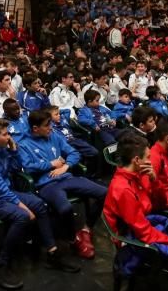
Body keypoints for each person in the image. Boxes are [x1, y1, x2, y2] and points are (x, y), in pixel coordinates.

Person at [0, 119, 80, 290]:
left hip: (2, 192)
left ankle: (52, 251)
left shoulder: (1, 149)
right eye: (6, 134)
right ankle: (0, 266)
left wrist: (14, 149)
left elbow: (17, 168)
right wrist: (22, 206)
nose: (10, 136)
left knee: (39, 204)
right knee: (22, 216)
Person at [18, 109, 107, 258]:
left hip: (66, 176)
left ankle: (85, 229)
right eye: (47, 125)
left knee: (104, 192)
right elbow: (28, 167)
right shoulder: (23, 144)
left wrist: (66, 166)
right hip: (46, 184)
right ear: (35, 128)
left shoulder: (53, 135)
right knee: (65, 208)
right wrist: (51, 164)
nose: (51, 127)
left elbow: (74, 152)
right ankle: (73, 239)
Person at [103, 132, 168, 255]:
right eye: (147, 157)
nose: (150, 161)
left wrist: (154, 180)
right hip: (133, 239)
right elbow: (145, 234)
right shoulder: (123, 189)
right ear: (136, 160)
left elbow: (160, 203)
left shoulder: (138, 175)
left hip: (146, 224)